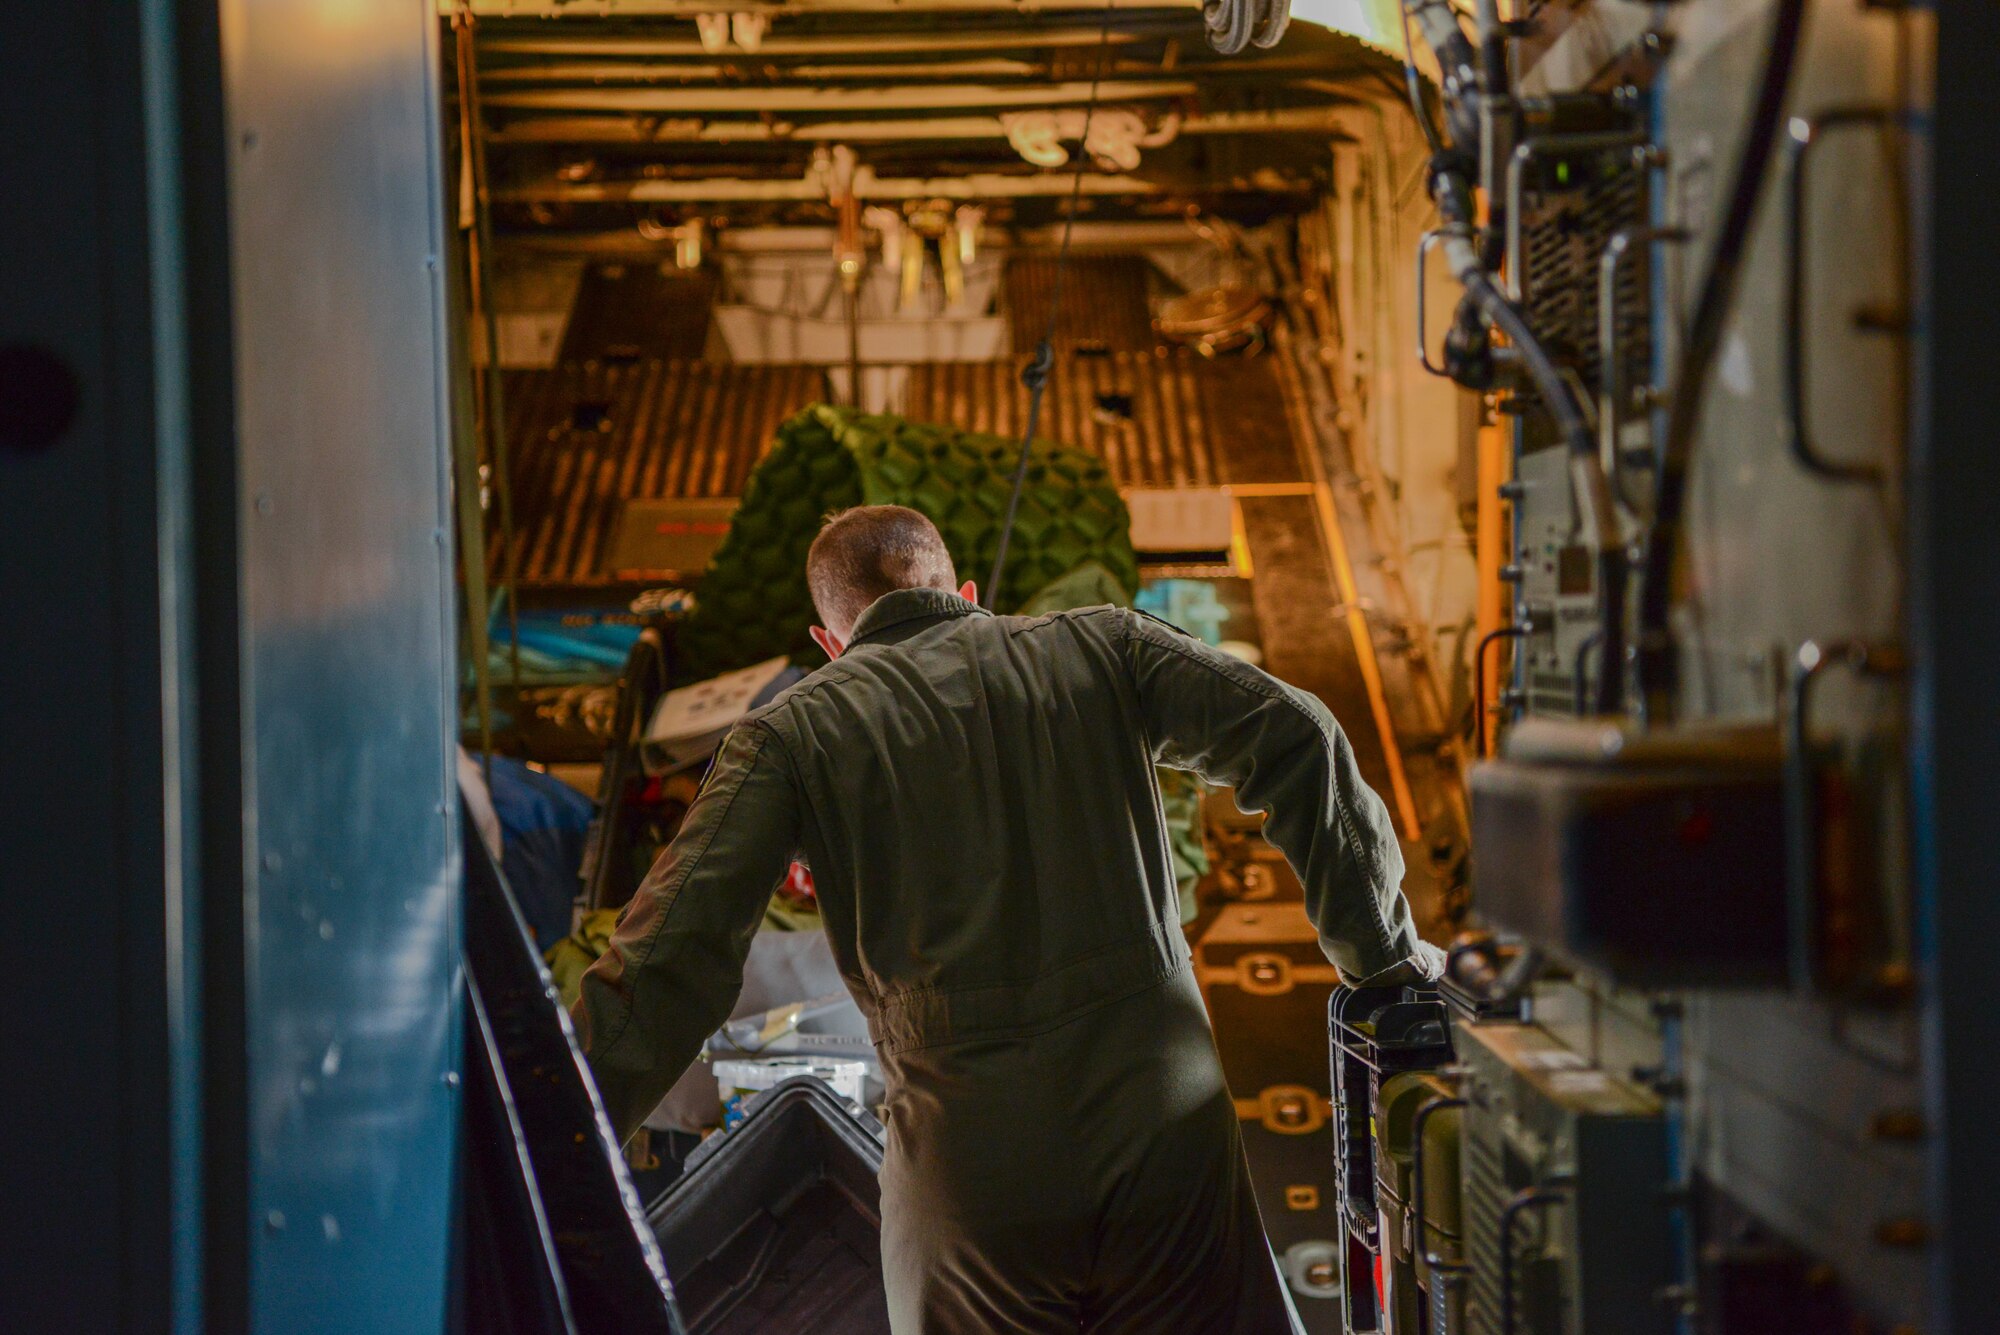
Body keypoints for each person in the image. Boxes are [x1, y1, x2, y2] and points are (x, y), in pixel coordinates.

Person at [573, 504, 1444, 1333]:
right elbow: (1301, 737)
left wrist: (554, 1145)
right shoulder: (1104, 643)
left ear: (829, 643)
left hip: (973, 1169)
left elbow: (666, 963)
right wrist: (1384, 963)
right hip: (1166, 1129)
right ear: (966, 597)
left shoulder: (789, 736)